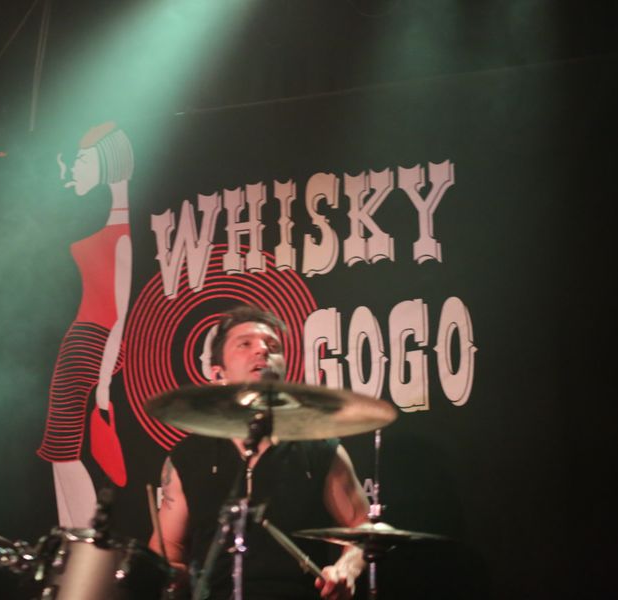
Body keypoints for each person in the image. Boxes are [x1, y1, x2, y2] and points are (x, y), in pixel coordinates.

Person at [149, 305, 369, 600]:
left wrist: (346, 570)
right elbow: (168, 548)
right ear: (218, 373)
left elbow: (362, 527)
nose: (263, 350)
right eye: (245, 344)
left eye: (273, 346)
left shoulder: (319, 449)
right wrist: (171, 574)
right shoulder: (188, 457)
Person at [37, 122, 134, 527]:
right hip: (85, 341)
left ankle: (82, 539)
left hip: (93, 343)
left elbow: (121, 315)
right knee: (61, 449)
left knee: (63, 450)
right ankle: (71, 538)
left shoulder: (120, 235)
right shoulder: (107, 225)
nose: (75, 169)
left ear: (106, 163)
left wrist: (106, 383)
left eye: (81, 161)